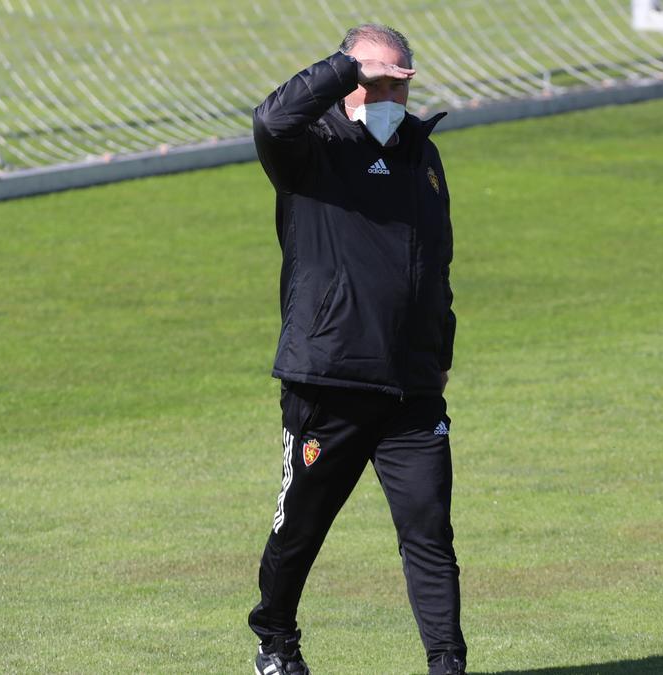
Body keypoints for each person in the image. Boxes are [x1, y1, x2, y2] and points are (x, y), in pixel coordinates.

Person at [248, 24, 467, 675]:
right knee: (301, 529)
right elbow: (269, 120)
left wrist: (441, 346)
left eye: (401, 81)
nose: (390, 93)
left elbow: (436, 262)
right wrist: (346, 68)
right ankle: (275, 639)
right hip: (328, 379)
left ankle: (448, 664)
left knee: (430, 534)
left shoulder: (422, 156)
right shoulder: (309, 149)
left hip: (411, 386)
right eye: (378, 80)